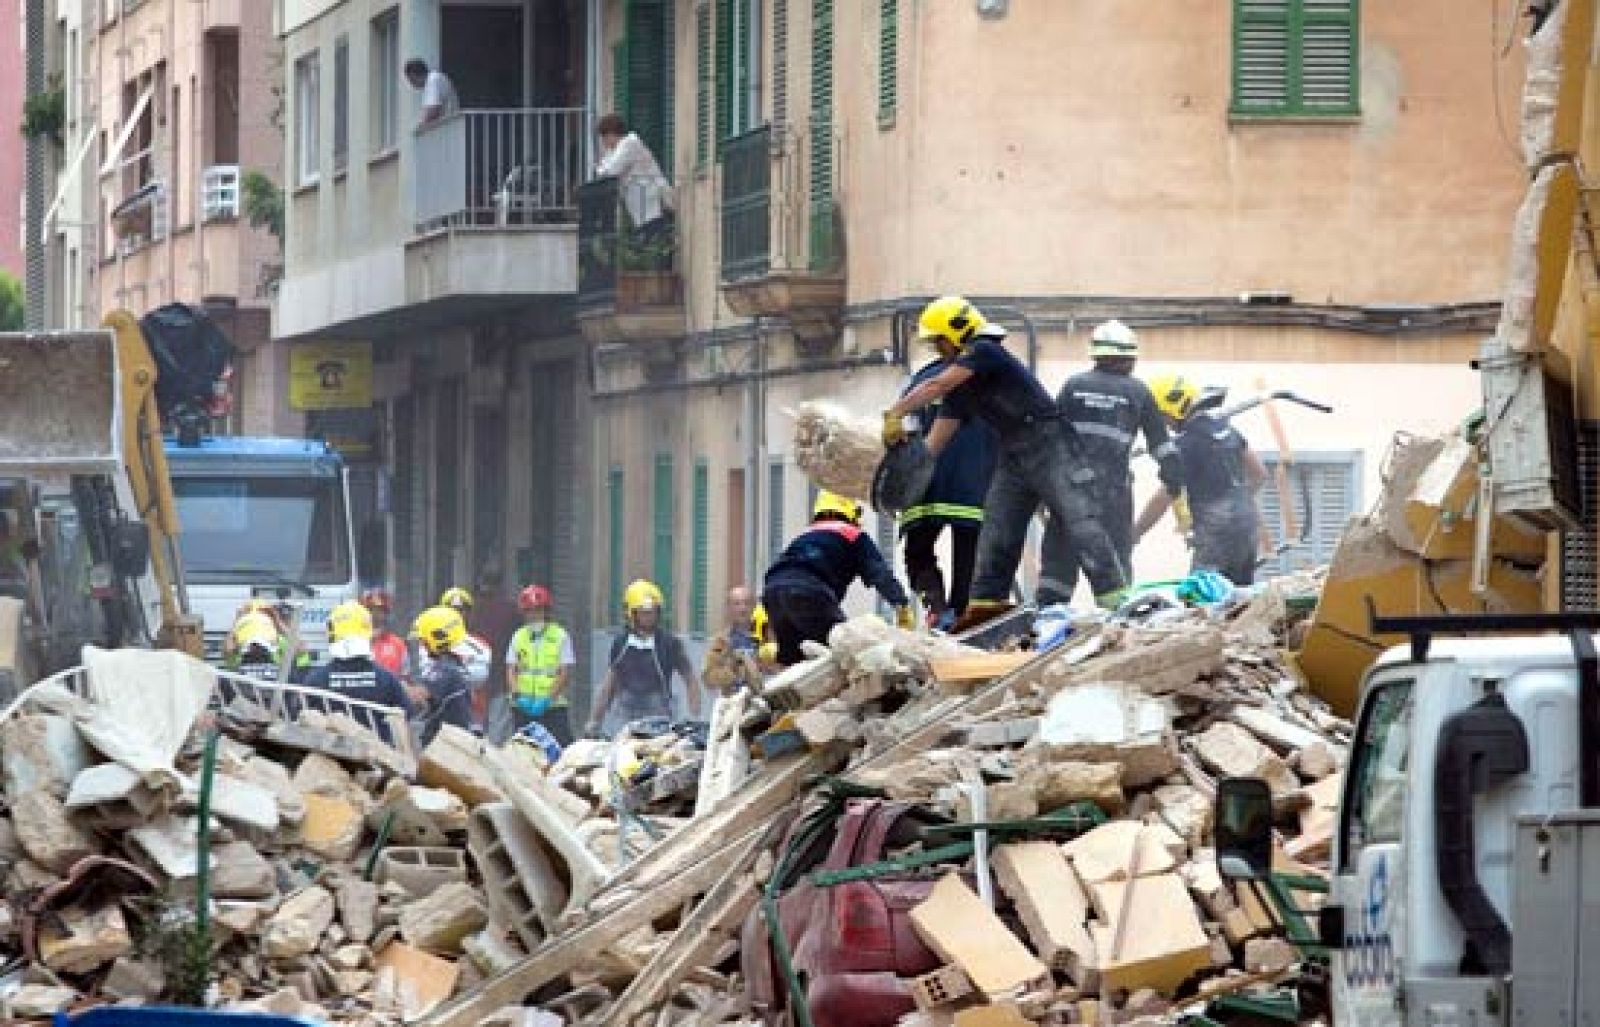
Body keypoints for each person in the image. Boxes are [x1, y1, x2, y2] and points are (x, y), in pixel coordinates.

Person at [882, 296, 1129, 630]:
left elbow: (937, 384)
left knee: (1080, 522)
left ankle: (1116, 602)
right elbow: (934, 445)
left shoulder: (984, 351)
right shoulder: (961, 388)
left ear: (956, 333)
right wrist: (908, 467)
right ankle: (985, 614)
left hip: (1049, 443)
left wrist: (897, 412)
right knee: (997, 532)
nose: (938, 351)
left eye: (938, 341)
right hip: (1012, 454)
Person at [1038, 320, 1185, 604]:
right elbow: (1162, 446)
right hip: (1112, 495)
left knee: (1058, 567)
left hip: (1069, 493)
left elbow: (1051, 440)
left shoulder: (1073, 386)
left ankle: (1046, 622)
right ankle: (1117, 628)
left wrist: (1044, 492)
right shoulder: (1138, 392)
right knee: (1115, 568)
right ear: (1129, 357)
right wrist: (1174, 477)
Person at [1135, 374, 1268, 586]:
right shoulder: (1227, 429)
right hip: (1248, 525)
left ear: (1175, 408)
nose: (1164, 423)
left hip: (1216, 534)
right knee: (1238, 599)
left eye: (1163, 415)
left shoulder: (1185, 444)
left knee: (1203, 598)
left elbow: (1163, 497)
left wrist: (1137, 531)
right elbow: (1260, 474)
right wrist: (1238, 503)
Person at [897, 358, 998, 628]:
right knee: (970, 561)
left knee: (918, 555)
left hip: (925, 490)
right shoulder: (991, 380)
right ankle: (963, 620)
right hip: (976, 492)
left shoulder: (919, 381)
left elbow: (901, 438)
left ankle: (937, 610)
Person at [761, 492, 914, 666]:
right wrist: (902, 605)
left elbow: (781, 572)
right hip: (809, 592)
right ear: (850, 511)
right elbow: (880, 574)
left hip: (773, 593)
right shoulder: (854, 535)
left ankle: (776, 654)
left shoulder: (803, 536)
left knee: (794, 658)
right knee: (842, 645)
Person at [587, 579, 703, 734]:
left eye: (653, 612)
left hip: (659, 710)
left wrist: (694, 714)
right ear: (632, 614)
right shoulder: (621, 643)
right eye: (644, 612)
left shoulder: (669, 642)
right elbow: (609, 683)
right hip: (625, 710)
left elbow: (689, 678)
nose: (649, 617)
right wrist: (594, 721)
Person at [300, 603, 416, 744]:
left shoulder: (315, 680)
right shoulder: (387, 680)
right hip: (378, 760)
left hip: (329, 758)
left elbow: (302, 717)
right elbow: (406, 716)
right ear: (367, 634)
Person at [505, 584, 577, 744]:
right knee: (522, 751)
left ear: (546, 611)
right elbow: (511, 669)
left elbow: (564, 672)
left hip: (552, 707)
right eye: (529, 611)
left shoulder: (560, 636)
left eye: (538, 610)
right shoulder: (519, 636)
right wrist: (517, 695)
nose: (534, 615)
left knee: (560, 750)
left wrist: (548, 699)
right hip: (523, 707)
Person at [594, 114, 674, 243]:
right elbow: (602, 168)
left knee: (653, 240)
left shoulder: (629, 144)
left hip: (649, 200)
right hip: (640, 203)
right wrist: (602, 168)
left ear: (611, 134)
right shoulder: (616, 150)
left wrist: (602, 168)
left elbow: (610, 170)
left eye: (604, 137)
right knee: (647, 239)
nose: (603, 142)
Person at [411, 605, 476, 746]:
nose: (423, 645)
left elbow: (417, 697)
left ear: (438, 637)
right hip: (454, 741)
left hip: (446, 747)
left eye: (424, 640)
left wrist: (388, 682)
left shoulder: (445, 669)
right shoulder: (455, 663)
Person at [435, 585, 493, 731]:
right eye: (452, 610)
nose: (458, 614)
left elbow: (480, 679)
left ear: (468, 614)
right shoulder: (431, 643)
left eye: (462, 610)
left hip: (473, 716)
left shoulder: (481, 645)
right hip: (440, 714)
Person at [701, 586, 764, 694]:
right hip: (734, 703)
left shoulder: (768, 637)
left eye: (747, 603)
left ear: (754, 607)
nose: (742, 609)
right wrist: (733, 671)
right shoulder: (722, 641)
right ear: (729, 608)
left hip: (767, 700)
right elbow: (708, 678)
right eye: (737, 604)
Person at [361, 588, 411, 678]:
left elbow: (405, 676)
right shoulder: (355, 642)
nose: (376, 614)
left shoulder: (398, 644)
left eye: (381, 610)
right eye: (371, 609)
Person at [224, 609, 283, 680]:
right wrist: (278, 622)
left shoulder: (234, 674)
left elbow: (228, 650)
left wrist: (236, 623)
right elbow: (298, 648)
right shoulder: (282, 674)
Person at [404, 58, 458, 128]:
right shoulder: (432, 81)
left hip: (448, 126)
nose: (411, 84)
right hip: (447, 125)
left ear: (415, 75)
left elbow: (433, 109)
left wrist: (421, 125)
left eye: (411, 80)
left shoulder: (433, 80)